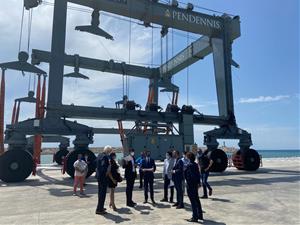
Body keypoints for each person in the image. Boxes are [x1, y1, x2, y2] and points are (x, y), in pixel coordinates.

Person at [185, 152, 203, 222]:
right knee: (197, 200)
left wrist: (188, 184)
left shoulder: (189, 165)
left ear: (189, 158)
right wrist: (198, 183)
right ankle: (200, 215)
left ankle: (194, 217)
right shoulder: (195, 164)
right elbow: (198, 174)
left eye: (186, 157)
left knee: (193, 201)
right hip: (195, 185)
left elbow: (190, 176)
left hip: (191, 185)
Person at [95, 145, 112, 215]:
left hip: (99, 177)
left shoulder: (99, 155)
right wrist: (108, 170)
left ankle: (100, 207)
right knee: (102, 194)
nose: (110, 153)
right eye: (110, 152)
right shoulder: (105, 157)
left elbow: (95, 163)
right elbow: (103, 167)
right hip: (103, 178)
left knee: (100, 193)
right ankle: (99, 209)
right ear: (108, 151)